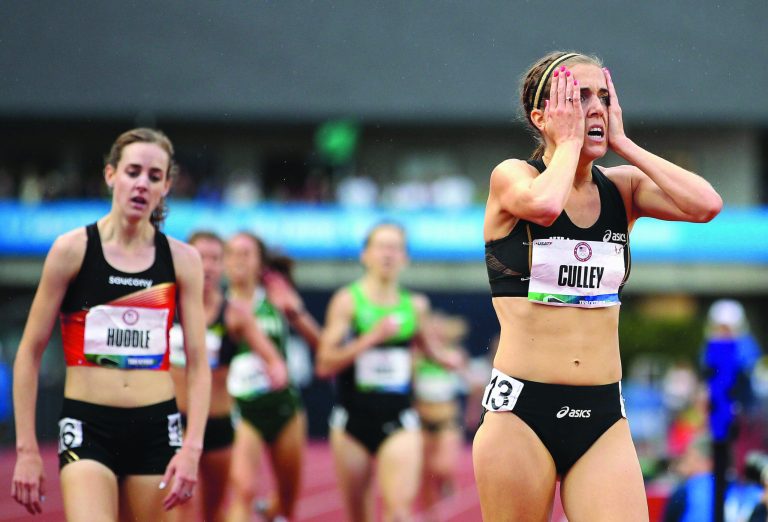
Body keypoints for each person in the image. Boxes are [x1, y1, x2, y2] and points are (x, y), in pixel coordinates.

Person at [473, 51, 723, 521]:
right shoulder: (514, 177)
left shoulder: (622, 188)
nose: (594, 107)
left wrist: (624, 143)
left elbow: (706, 205)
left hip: (603, 411)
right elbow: (545, 208)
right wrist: (568, 143)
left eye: (603, 97)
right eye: (578, 97)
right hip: (522, 411)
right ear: (541, 116)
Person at [11, 128, 212, 520]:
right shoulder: (72, 251)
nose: (142, 184)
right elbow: (29, 354)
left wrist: (191, 448)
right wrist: (27, 449)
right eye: (133, 171)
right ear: (110, 175)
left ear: (166, 186)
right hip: (89, 425)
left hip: (157, 428)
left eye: (154, 177)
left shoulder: (183, 260)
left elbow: (200, 364)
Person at [316, 222, 462, 522]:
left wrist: (448, 359)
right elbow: (324, 363)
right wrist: (371, 338)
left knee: (399, 513)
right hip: (351, 421)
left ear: (405, 258)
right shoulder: (348, 301)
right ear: (365, 255)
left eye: (395, 248)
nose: (388, 254)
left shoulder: (414, 305)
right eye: (381, 246)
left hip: (399, 418)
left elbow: (429, 349)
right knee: (358, 516)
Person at [167, 231, 288, 522]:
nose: (207, 266)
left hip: (218, 425)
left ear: (223, 266)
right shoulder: (165, 308)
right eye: (200, 257)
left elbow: (273, 358)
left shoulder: (235, 314)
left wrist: (275, 369)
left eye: (215, 259)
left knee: (213, 510)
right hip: (174, 423)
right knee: (179, 505)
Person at [224, 231, 321, 522]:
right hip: (241, 409)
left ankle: (272, 513)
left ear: (260, 263)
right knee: (243, 490)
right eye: (232, 253)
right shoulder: (219, 306)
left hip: (284, 408)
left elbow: (320, 343)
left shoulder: (277, 300)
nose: (238, 260)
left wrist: (294, 311)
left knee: (287, 500)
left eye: (246, 253)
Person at [412, 312, 469, 521]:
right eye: (430, 330)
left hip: (447, 420)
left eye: (438, 329)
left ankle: (448, 480)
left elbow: (462, 371)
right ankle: (431, 515)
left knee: (441, 467)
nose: (434, 333)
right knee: (425, 474)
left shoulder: (453, 354)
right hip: (421, 421)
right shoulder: (416, 356)